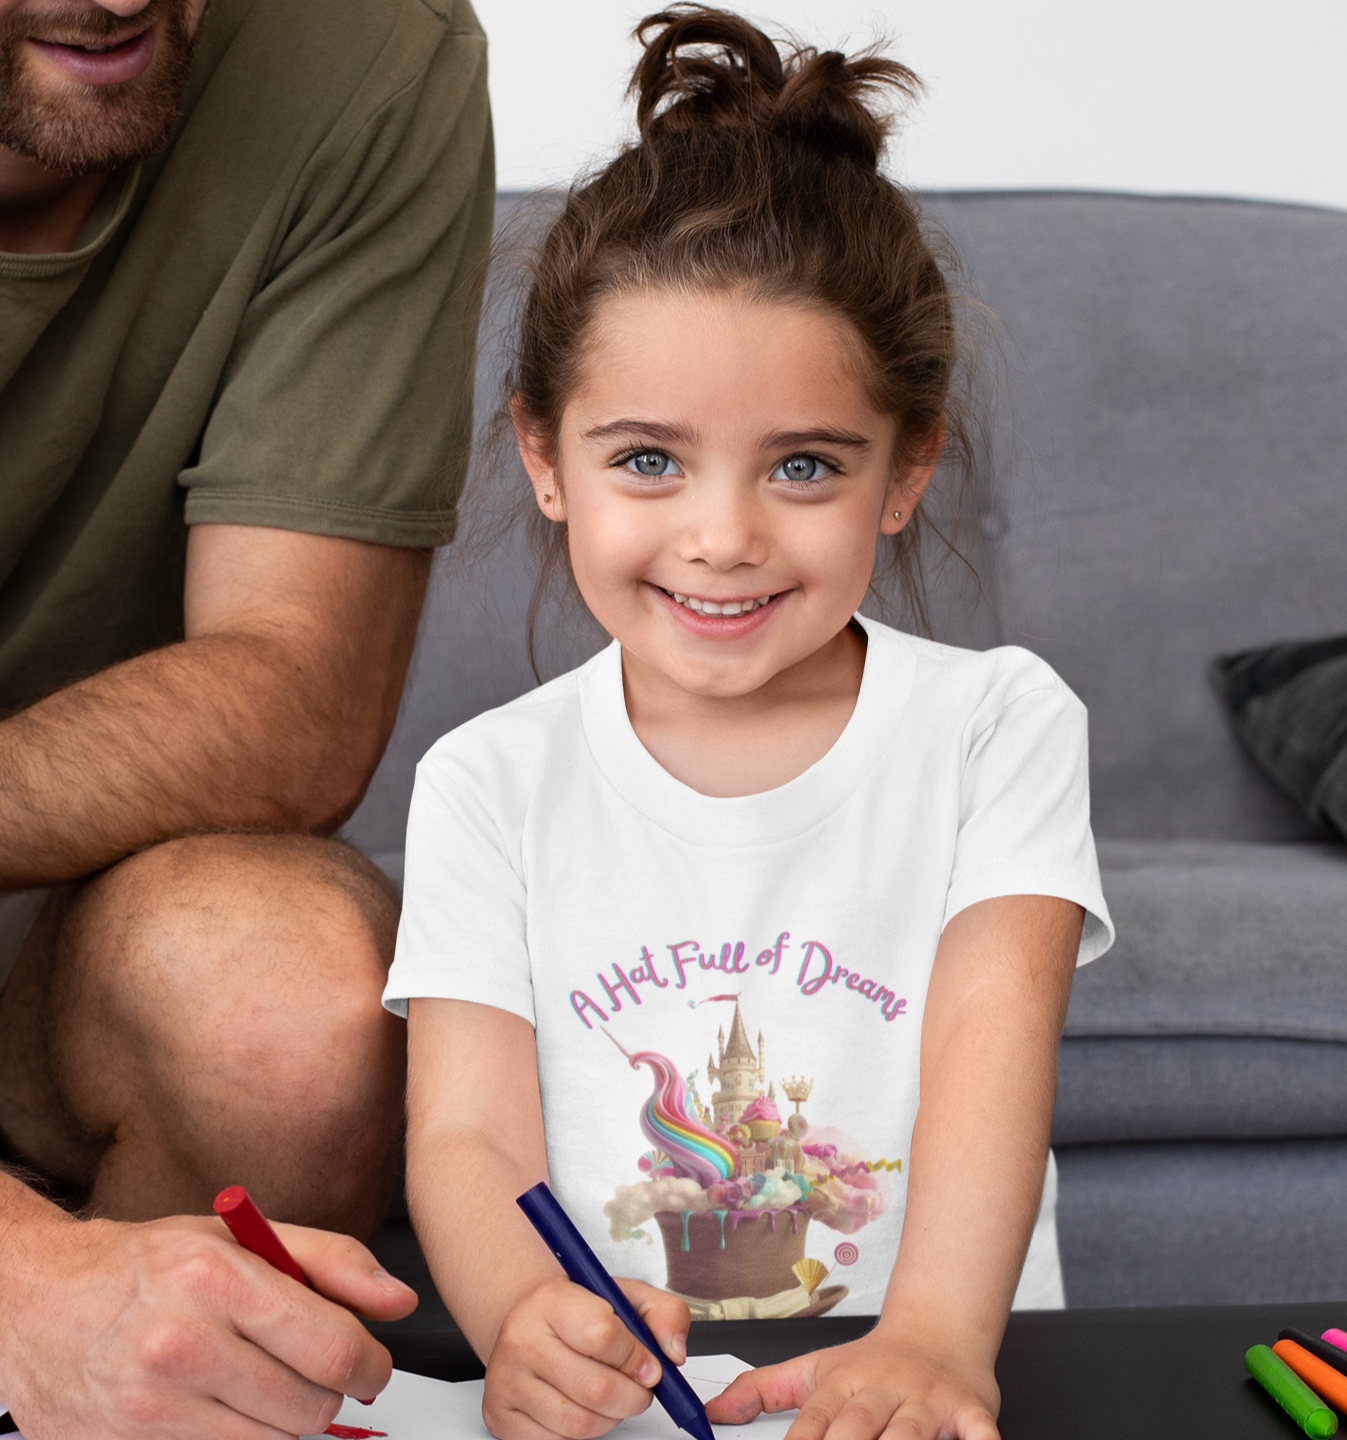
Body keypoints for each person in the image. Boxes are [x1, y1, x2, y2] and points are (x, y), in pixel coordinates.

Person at [386, 7, 1113, 1440]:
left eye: (803, 465)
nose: (720, 537)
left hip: (916, 1394)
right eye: (647, 458)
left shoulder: (995, 726)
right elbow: (466, 1136)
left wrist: (933, 1346)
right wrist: (527, 1323)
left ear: (907, 471)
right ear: (545, 456)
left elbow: (988, 1055)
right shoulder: (486, 780)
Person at [0, 0, 494, 1435]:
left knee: (277, 1007)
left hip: (56, 926)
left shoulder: (366, 52)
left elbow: (298, 697)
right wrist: (25, 1280)